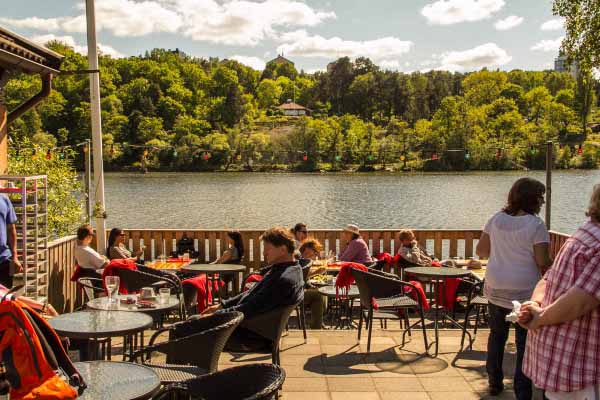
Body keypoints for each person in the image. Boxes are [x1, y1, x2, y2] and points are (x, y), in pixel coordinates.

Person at [519, 185, 600, 400]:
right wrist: (539, 317)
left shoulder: (584, 233)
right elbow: (581, 301)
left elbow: (548, 276)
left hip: (557, 355)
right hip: (580, 366)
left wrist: (534, 304)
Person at [476, 177, 552, 399]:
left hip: (496, 286)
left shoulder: (496, 219)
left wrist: (503, 251)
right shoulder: (536, 225)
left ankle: (494, 382)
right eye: (541, 197)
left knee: (496, 335)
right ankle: (522, 392)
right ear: (532, 199)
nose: (543, 202)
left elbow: (481, 251)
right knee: (523, 343)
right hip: (524, 290)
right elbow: (542, 260)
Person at [201, 227, 304, 350]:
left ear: (282, 249)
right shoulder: (290, 269)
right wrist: (222, 305)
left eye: (267, 248)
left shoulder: (282, 280)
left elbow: (250, 308)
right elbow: (251, 293)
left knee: (190, 329)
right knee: (193, 324)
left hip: (250, 335)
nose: (264, 253)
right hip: (248, 326)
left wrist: (216, 315)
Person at [299, 239, 326, 329]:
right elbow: (299, 277)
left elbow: (304, 279)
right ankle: (316, 326)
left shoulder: (304, 259)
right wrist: (316, 272)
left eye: (316, 252)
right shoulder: (299, 259)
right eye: (314, 251)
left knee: (322, 291)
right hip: (296, 293)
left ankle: (318, 322)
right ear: (307, 249)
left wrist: (311, 285)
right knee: (319, 295)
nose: (315, 254)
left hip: (300, 289)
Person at [0, 194, 21, 289]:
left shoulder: (4, 199)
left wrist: (15, 257)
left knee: (5, 296)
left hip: (3, 260)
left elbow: (11, 230)